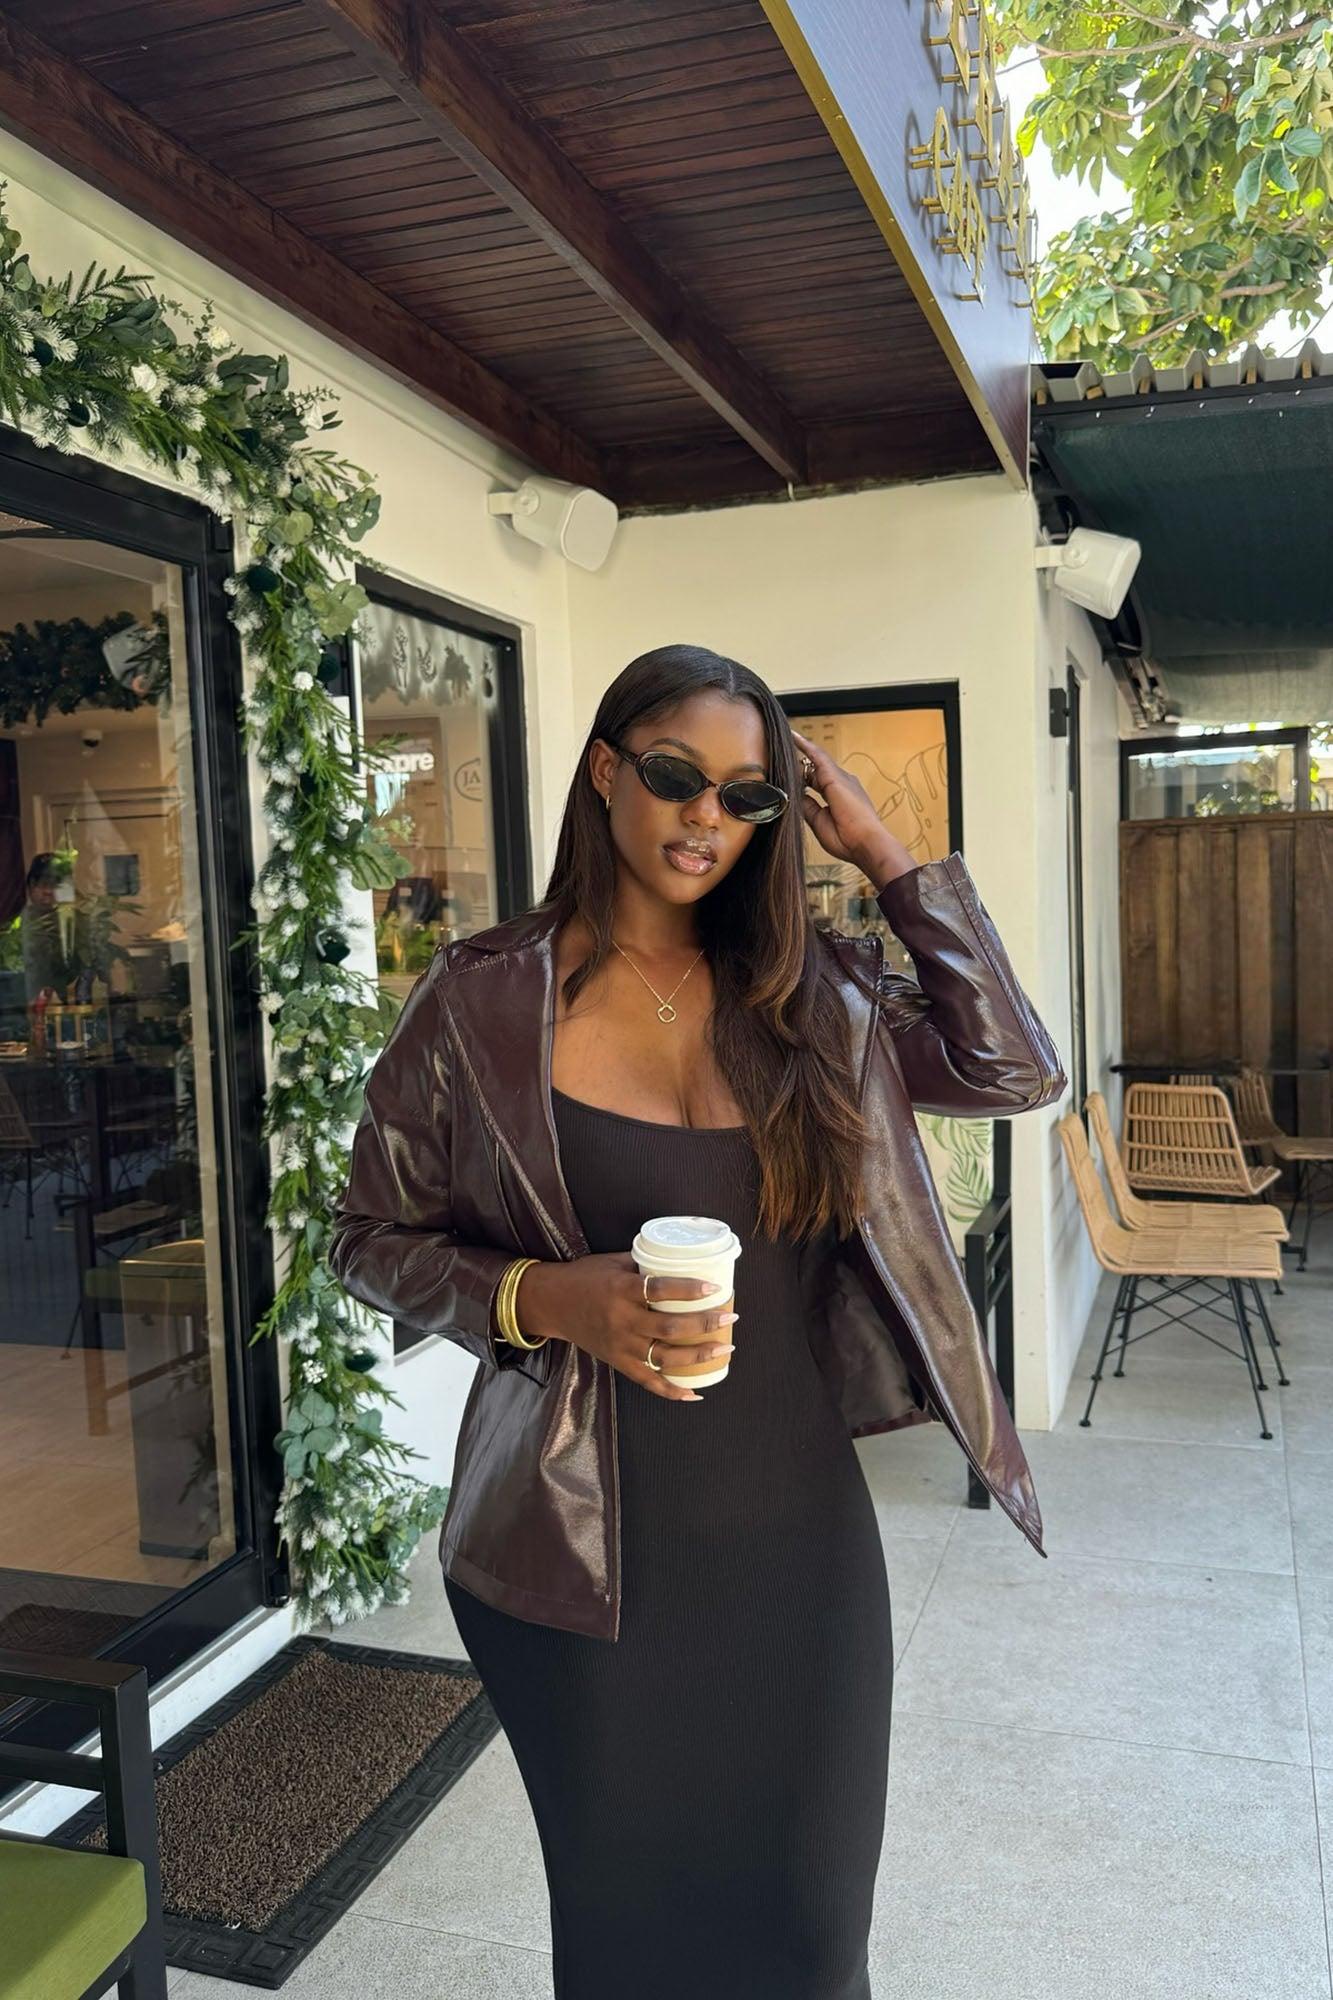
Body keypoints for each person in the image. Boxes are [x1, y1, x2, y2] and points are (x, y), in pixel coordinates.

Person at [329, 644, 1066, 2000]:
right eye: (676, 776)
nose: (706, 819)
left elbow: (1011, 1067)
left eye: (747, 795)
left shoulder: (813, 996)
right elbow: (366, 1236)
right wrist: (549, 1298)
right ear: (605, 770)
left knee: (811, 1941)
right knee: (628, 1951)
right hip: (576, 1561)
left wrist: (887, 856)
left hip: (799, 1544)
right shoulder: (480, 999)